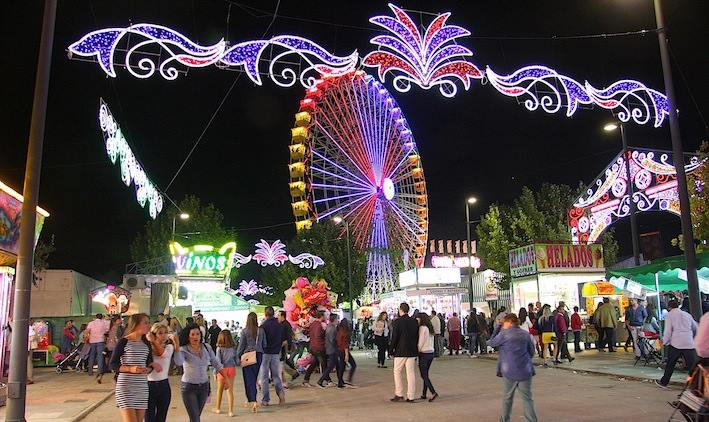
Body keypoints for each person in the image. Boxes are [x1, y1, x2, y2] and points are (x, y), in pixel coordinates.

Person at [109, 313, 162, 422]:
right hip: (126, 387)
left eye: (149, 322)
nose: (149, 325)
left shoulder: (146, 343)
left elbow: (149, 362)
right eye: (145, 323)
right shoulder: (124, 342)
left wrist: (149, 369)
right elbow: (113, 364)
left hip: (142, 387)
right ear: (136, 324)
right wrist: (130, 369)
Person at [488, 313, 538, 422]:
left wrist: (497, 328)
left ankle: (505, 420)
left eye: (504, 322)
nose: (503, 325)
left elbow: (491, 343)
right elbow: (531, 352)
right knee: (527, 399)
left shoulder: (504, 334)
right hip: (525, 371)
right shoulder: (525, 334)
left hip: (509, 371)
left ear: (510, 323)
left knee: (507, 398)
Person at [177, 322, 227, 422]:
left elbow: (216, 363)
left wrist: (225, 378)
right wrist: (176, 347)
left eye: (198, 334)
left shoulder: (206, 347)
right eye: (192, 334)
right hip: (188, 387)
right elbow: (178, 362)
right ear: (188, 336)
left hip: (204, 387)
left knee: (196, 416)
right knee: (195, 418)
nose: (196, 337)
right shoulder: (184, 349)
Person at [656, 299, 698, 388]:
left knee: (670, 364)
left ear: (669, 307)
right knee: (692, 366)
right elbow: (695, 327)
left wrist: (664, 342)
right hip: (689, 343)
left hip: (676, 343)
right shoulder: (687, 315)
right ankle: (696, 384)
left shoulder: (669, 315)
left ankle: (664, 382)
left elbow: (668, 331)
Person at [146, 322, 182, 422]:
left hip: (164, 385)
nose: (164, 335)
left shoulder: (169, 347)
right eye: (160, 333)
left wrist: (176, 342)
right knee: (149, 417)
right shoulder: (147, 348)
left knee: (161, 417)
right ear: (153, 334)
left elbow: (162, 354)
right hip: (149, 384)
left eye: (166, 332)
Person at [389, 302, 419, 403]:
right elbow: (416, 336)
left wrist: (391, 349)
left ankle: (399, 393)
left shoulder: (397, 322)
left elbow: (394, 337)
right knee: (410, 373)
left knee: (397, 371)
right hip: (411, 350)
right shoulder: (414, 321)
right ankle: (411, 396)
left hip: (400, 350)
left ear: (400, 310)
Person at [258, 306, 286, 405]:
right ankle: (281, 395)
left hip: (265, 353)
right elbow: (281, 339)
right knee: (276, 376)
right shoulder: (279, 325)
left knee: (264, 377)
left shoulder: (263, 326)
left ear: (265, 314)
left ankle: (265, 400)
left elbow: (261, 341)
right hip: (275, 353)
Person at [236, 312, 262, 413]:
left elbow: (241, 346)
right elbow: (264, 344)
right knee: (255, 378)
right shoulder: (261, 331)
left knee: (248, 379)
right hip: (259, 355)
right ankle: (253, 399)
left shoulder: (245, 331)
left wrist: (238, 356)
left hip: (248, 356)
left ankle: (252, 400)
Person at [214, 330, 237, 416]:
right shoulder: (233, 348)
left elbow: (218, 361)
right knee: (229, 390)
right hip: (231, 368)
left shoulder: (219, 348)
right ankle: (230, 411)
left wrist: (215, 372)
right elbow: (236, 359)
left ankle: (218, 408)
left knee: (219, 390)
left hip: (222, 370)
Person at [318, 314, 343, 388]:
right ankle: (320, 380)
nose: (338, 321)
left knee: (337, 366)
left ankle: (340, 382)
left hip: (330, 349)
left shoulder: (329, 327)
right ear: (334, 320)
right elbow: (332, 340)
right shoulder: (332, 328)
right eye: (337, 319)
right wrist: (338, 347)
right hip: (332, 350)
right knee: (331, 366)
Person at [303, 310, 328, 387]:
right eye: (325, 315)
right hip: (318, 347)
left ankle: (306, 380)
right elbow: (318, 337)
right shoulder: (318, 325)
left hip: (313, 347)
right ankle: (323, 381)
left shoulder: (313, 324)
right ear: (322, 316)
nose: (326, 317)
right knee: (324, 364)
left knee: (314, 363)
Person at [417, 312, 438, 401]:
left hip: (424, 353)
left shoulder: (422, 328)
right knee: (425, 374)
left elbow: (421, 342)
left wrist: (416, 351)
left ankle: (433, 392)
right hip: (430, 352)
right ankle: (424, 393)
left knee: (423, 375)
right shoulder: (430, 328)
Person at [99, 317, 124, 384]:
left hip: (108, 347)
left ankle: (101, 376)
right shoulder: (118, 328)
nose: (121, 320)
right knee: (119, 363)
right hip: (115, 348)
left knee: (108, 364)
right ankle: (115, 378)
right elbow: (118, 338)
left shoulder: (111, 328)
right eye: (119, 319)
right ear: (116, 321)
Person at [277, 310, 298, 383]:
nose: (277, 317)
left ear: (283, 316)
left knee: (282, 362)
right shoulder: (280, 324)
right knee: (283, 361)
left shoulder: (286, 324)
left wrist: (287, 344)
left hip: (284, 345)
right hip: (280, 346)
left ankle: (292, 374)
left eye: (279, 315)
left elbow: (290, 336)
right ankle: (294, 373)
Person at [86, 313, 109, 379]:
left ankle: (90, 371)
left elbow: (87, 331)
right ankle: (99, 371)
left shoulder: (91, 323)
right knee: (100, 356)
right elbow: (107, 331)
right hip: (101, 341)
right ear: (102, 317)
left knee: (91, 356)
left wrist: (86, 338)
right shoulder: (105, 323)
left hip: (92, 341)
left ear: (95, 317)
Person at [337, 318, 357, 385]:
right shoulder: (345, 332)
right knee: (353, 365)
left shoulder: (339, 331)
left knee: (342, 366)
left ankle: (340, 382)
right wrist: (346, 354)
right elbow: (345, 344)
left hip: (339, 350)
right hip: (343, 350)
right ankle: (348, 380)